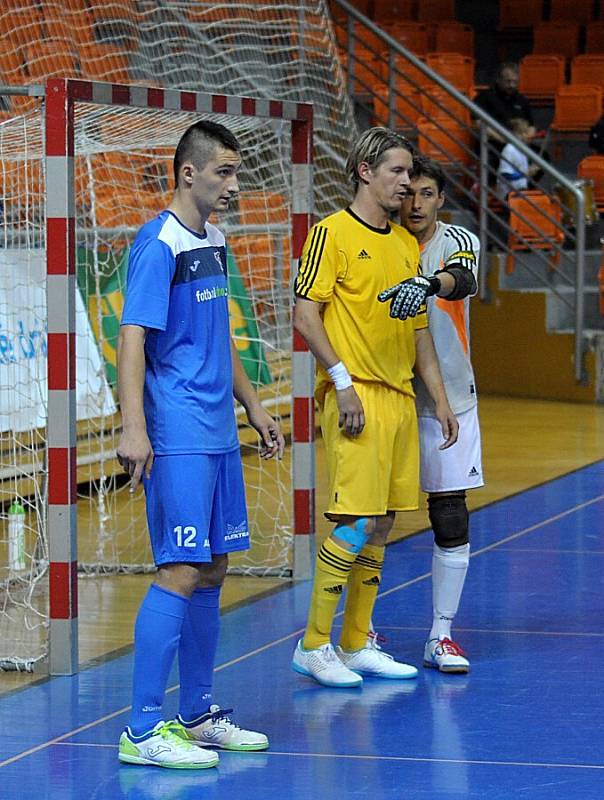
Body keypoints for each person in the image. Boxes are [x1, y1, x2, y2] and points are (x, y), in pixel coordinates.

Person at [116, 119, 285, 768]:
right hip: (178, 432)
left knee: (214, 569)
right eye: (225, 172)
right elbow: (133, 336)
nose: (235, 185)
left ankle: (197, 714)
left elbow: (220, 335)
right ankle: (141, 730)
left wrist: (255, 406)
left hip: (219, 430)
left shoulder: (214, 239)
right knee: (181, 569)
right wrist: (134, 427)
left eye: (237, 172)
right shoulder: (157, 244)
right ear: (188, 173)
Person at [291, 127, 459, 689]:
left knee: (382, 524)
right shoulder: (329, 235)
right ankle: (314, 644)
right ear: (365, 170)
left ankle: (357, 641)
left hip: (399, 400)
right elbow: (304, 315)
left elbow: (418, 335)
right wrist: (340, 383)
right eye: (398, 172)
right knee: (353, 520)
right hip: (354, 395)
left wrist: (440, 399)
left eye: (411, 174)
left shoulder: (405, 246)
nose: (408, 184)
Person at [379, 156, 484, 673]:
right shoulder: (378, 240)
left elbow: (462, 279)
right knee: (372, 515)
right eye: (408, 193)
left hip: (449, 397)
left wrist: (427, 284)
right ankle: (361, 632)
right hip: (387, 392)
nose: (415, 203)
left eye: (426, 194)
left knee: (448, 511)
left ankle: (441, 635)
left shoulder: (457, 240)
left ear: (440, 199)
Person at [496, 117, 541, 200]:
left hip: (520, 190)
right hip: (509, 194)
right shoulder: (509, 149)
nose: (525, 135)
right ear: (514, 134)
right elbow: (506, 175)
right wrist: (526, 173)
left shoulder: (522, 149)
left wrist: (531, 171)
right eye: (521, 133)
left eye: (525, 132)